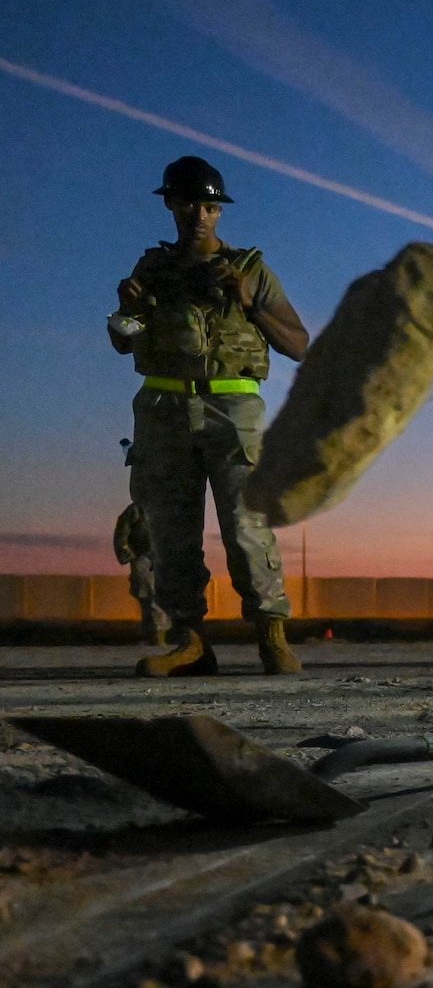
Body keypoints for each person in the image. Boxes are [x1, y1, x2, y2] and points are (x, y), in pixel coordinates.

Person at [111, 156, 307, 677]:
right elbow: (121, 339)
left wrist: (249, 304)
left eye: (210, 205)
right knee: (172, 530)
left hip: (233, 408)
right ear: (171, 205)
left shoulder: (250, 270)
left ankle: (271, 635)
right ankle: (190, 642)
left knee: (247, 526)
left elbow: (299, 344)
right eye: (190, 203)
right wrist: (126, 310)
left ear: (219, 211)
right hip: (163, 408)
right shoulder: (151, 269)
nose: (200, 214)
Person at [112, 500, 170, 646]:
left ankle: (158, 636)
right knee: (150, 598)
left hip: (164, 559)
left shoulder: (170, 507)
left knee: (162, 599)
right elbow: (122, 534)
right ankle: (155, 636)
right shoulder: (137, 510)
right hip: (142, 557)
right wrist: (127, 552)